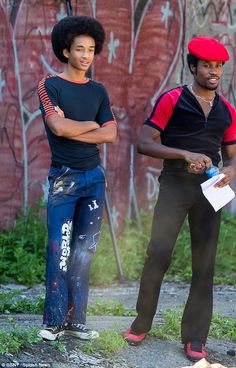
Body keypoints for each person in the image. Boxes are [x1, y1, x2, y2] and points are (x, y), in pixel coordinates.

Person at [124, 36, 236, 362]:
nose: (213, 72)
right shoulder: (173, 99)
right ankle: (142, 321)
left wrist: (230, 172)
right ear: (193, 66)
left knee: (205, 264)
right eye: (206, 65)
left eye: (218, 67)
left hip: (210, 190)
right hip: (175, 185)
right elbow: (144, 142)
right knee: (158, 253)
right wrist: (183, 153)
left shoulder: (226, 110)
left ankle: (195, 338)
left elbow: (231, 155)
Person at [37, 15, 117, 341]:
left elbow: (110, 134)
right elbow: (57, 128)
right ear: (66, 50)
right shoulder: (50, 85)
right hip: (64, 179)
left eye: (91, 50)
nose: (86, 56)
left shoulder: (98, 91)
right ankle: (53, 321)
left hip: (94, 179)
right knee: (61, 249)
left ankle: (76, 321)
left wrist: (77, 126)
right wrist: (91, 127)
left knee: (85, 252)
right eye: (79, 49)